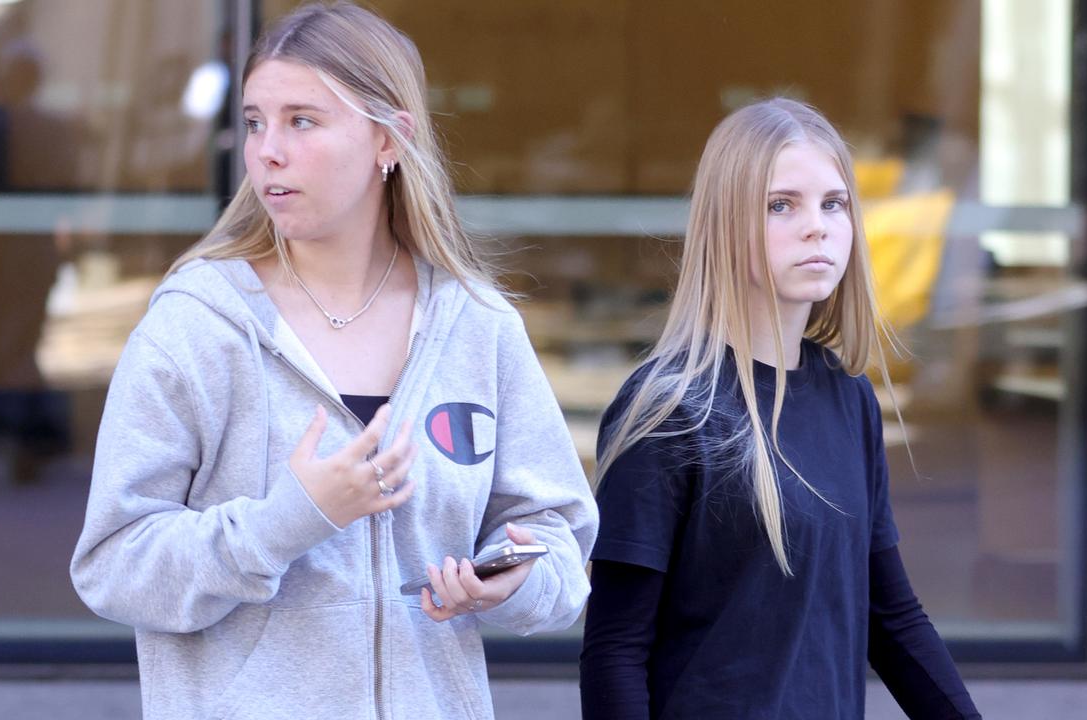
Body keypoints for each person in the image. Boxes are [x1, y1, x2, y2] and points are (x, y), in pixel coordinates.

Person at [69, 3, 597, 718]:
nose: (267, 151)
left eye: (302, 121)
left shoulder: (477, 326)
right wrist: (287, 520)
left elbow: (560, 541)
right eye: (255, 121)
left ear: (388, 138)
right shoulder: (196, 328)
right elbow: (115, 564)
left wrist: (516, 579)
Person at [578, 98, 981, 719]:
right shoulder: (668, 409)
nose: (816, 226)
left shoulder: (849, 399)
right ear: (725, 223)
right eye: (780, 205)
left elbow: (892, 616)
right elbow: (615, 651)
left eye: (834, 203)